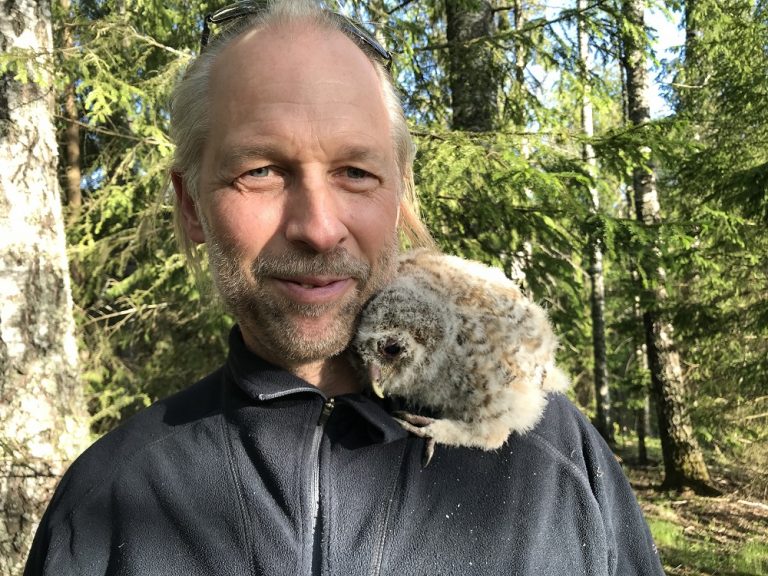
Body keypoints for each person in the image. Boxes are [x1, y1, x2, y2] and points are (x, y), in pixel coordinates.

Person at [25, 1, 666, 574]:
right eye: (262, 170)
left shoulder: (551, 461)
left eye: (355, 172)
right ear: (191, 205)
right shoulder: (107, 499)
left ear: (399, 194)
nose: (318, 228)